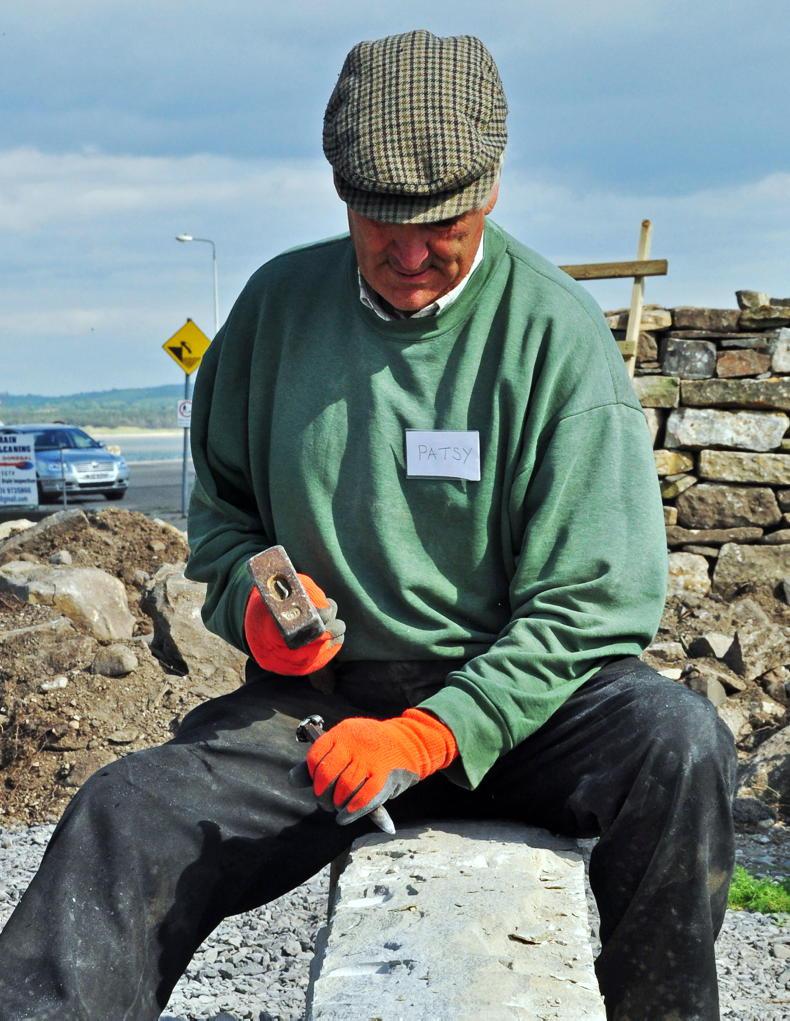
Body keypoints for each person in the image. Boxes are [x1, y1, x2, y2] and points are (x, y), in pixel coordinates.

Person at [0, 30, 735, 1021]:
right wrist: (255, 611)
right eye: (381, 223)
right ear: (342, 193)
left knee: (680, 743)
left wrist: (433, 732)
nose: (409, 253)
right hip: (325, 715)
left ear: (492, 189)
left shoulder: (554, 336)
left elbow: (595, 601)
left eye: (441, 226)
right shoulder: (275, 313)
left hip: (525, 713)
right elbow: (223, 517)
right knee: (124, 815)